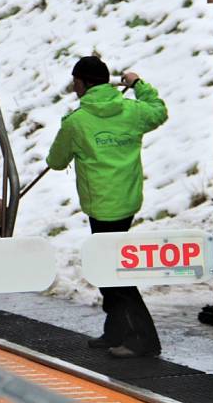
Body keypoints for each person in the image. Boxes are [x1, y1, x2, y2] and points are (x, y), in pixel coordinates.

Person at [46, 56, 168, 358]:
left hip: (101, 206)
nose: (73, 86)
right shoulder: (133, 111)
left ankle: (143, 339)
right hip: (127, 202)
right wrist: (138, 84)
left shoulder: (77, 122)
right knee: (108, 268)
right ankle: (115, 331)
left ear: (85, 83)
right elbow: (159, 111)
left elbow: (56, 161)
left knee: (113, 274)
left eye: (76, 81)